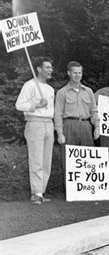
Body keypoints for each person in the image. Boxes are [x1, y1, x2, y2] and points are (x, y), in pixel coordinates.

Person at [15, 57, 55, 204]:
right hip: (35, 123)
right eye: (47, 67)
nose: (50, 70)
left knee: (46, 161)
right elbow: (19, 105)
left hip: (48, 124)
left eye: (51, 68)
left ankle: (41, 192)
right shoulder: (30, 85)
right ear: (38, 69)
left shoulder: (50, 89)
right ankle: (36, 193)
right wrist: (37, 104)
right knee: (36, 159)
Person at [54, 61, 100, 181]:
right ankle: (71, 191)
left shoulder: (88, 91)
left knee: (88, 159)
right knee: (69, 159)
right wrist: (60, 133)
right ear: (69, 73)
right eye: (74, 73)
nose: (77, 75)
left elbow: (94, 111)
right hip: (69, 126)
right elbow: (58, 114)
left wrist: (97, 127)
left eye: (79, 72)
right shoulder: (62, 92)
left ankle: (87, 188)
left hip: (86, 126)